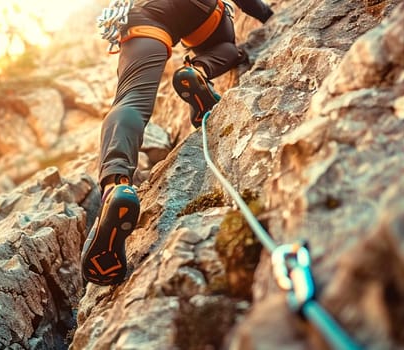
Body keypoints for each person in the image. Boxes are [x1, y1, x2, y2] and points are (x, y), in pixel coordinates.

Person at [81, 0, 274, 285]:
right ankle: (199, 70)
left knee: (131, 99)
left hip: (146, 14)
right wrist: (265, 14)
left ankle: (116, 185)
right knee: (229, 49)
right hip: (207, 13)